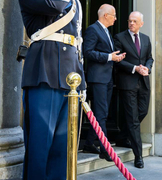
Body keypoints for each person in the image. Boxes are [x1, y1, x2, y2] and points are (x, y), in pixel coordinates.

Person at [18, 0, 86, 179]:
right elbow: (54, 6)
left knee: (63, 149)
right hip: (44, 71)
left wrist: (82, 82)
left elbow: (77, 41)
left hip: (70, 75)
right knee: (40, 146)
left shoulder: (76, 3)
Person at [82, 4, 125, 162]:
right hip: (98, 79)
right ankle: (105, 149)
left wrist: (116, 57)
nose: (115, 18)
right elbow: (88, 52)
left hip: (107, 78)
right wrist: (109, 57)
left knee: (102, 113)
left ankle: (88, 144)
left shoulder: (106, 31)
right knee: (101, 114)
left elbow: (107, 54)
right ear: (105, 15)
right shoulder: (93, 29)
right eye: (113, 15)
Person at [114, 11, 154, 168]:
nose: (131, 23)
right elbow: (117, 61)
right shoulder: (119, 37)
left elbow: (149, 57)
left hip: (143, 82)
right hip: (128, 83)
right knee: (133, 120)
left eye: (135, 21)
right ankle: (138, 156)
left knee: (142, 112)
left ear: (141, 24)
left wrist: (147, 68)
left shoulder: (145, 39)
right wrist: (134, 68)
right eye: (130, 21)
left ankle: (123, 135)